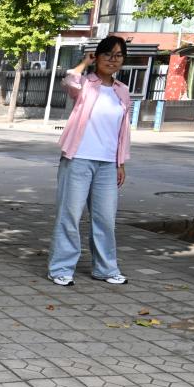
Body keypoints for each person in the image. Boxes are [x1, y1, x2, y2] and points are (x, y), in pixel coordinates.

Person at [48, 36, 132, 286]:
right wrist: (85, 62)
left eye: (118, 55)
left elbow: (123, 130)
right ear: (98, 57)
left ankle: (105, 269)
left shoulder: (122, 90)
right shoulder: (86, 84)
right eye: (107, 54)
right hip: (78, 159)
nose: (112, 60)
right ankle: (61, 268)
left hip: (107, 164)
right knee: (70, 216)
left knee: (105, 219)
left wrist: (120, 163)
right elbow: (68, 80)